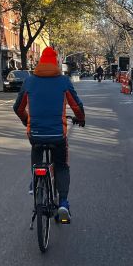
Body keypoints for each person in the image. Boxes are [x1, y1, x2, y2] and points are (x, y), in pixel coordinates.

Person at [14, 46, 85, 223]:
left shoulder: (29, 81)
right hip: (57, 135)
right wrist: (80, 118)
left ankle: (35, 179)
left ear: (40, 62)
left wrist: (26, 120)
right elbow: (76, 105)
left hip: (36, 133)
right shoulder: (63, 81)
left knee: (36, 148)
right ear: (56, 63)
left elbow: (18, 107)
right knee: (61, 166)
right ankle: (62, 203)